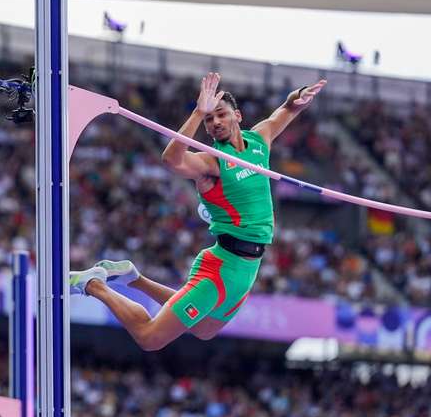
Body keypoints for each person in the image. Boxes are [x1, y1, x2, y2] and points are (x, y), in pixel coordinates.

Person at [70, 72, 326, 351]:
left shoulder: (259, 141)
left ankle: (135, 278)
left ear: (237, 116)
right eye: (209, 119)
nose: (215, 122)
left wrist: (298, 97)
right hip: (222, 267)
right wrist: (196, 112)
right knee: (150, 337)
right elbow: (171, 160)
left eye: (220, 115)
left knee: (204, 329)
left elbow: (285, 111)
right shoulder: (211, 163)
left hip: (247, 268)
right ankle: (94, 285)